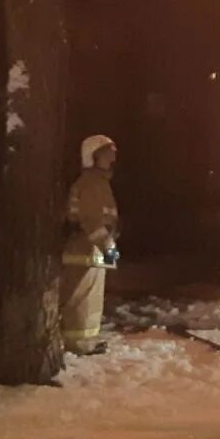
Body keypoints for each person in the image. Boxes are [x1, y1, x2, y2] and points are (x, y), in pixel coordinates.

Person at [62, 134, 121, 356]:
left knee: (90, 301)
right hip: (84, 249)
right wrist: (110, 249)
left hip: (92, 250)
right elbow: (92, 220)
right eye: (108, 152)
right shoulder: (91, 183)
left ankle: (85, 342)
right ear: (94, 156)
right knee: (80, 300)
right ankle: (76, 345)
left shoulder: (99, 182)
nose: (113, 157)